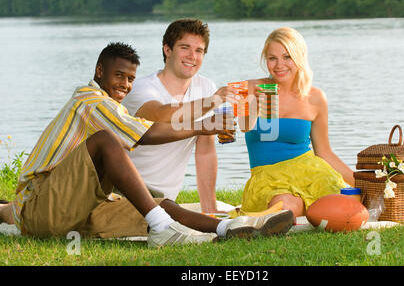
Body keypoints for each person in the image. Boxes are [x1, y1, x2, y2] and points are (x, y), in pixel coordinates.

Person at [0, 42, 294, 247]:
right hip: (44, 209)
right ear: (99, 71)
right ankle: (162, 229)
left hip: (71, 211)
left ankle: (226, 228)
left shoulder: (112, 107)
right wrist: (202, 126)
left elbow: (143, 131)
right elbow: (147, 133)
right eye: (119, 76)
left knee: (155, 204)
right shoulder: (89, 101)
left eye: (130, 79)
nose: (125, 85)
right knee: (105, 141)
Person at [238, 27, 355, 219]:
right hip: (269, 177)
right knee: (286, 206)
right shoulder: (250, 89)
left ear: (299, 57)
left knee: (346, 206)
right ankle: (275, 219)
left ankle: (318, 212)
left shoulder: (316, 98)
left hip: (310, 171)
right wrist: (253, 106)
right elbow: (243, 126)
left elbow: (325, 153)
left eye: (287, 57)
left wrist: (362, 182)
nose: (279, 65)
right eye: (272, 58)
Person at [122, 19, 236, 213]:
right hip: (125, 191)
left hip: (165, 200)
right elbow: (161, 115)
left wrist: (210, 210)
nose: (192, 56)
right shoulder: (140, 88)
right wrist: (212, 101)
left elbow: (205, 152)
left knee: (203, 222)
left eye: (199, 50)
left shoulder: (205, 88)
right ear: (167, 50)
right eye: (185, 48)